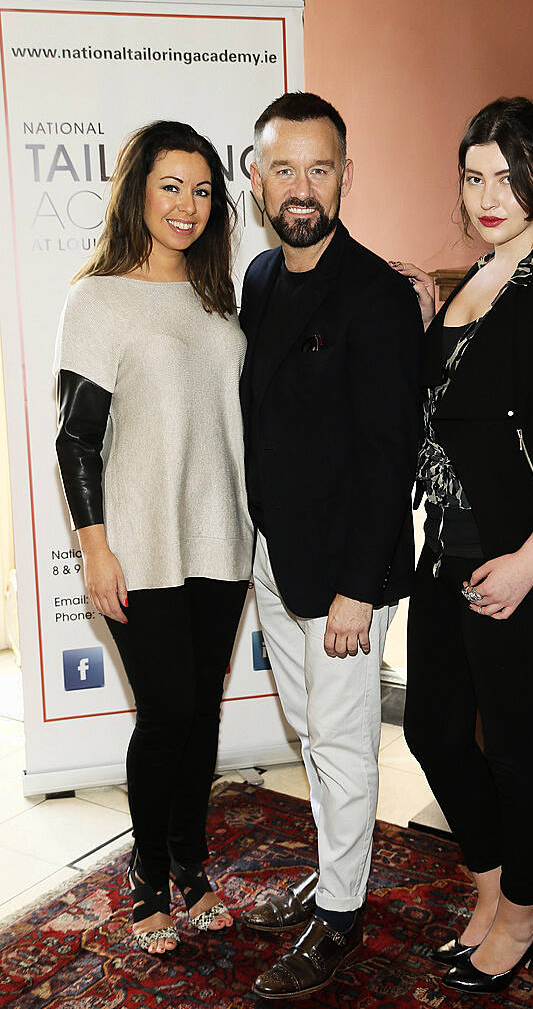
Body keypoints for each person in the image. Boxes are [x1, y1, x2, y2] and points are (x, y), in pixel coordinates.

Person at [394, 97, 533, 993]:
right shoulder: (465, 284)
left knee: (520, 754)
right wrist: (419, 331)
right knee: (433, 733)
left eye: (509, 178)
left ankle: (523, 912)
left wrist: (532, 559)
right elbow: (447, 419)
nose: (488, 196)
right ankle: (491, 889)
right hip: (444, 552)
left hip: (522, 565)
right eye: (473, 176)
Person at [238, 91, 423, 1000]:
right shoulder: (261, 281)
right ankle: (332, 875)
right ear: (255, 176)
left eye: (319, 168)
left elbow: (390, 457)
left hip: (349, 570)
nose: (301, 188)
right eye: (284, 168)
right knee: (310, 732)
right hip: (279, 554)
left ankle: (341, 920)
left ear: (346, 177)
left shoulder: (379, 296)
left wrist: (358, 590)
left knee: (344, 742)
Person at [54, 121, 253, 954]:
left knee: (198, 712)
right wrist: (95, 546)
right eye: (171, 186)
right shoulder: (96, 298)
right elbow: (75, 438)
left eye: (203, 189)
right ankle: (147, 878)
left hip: (222, 537)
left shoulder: (218, 298)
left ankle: (191, 864)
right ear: (137, 190)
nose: (188, 205)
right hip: (139, 544)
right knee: (165, 713)